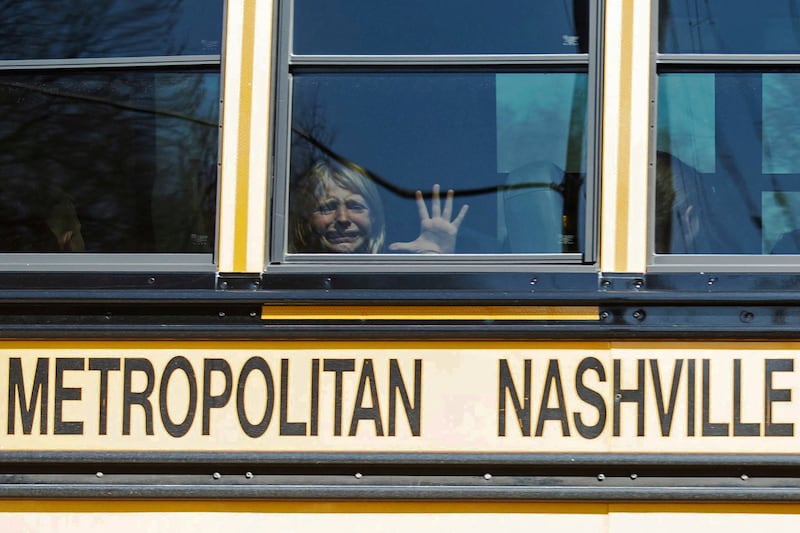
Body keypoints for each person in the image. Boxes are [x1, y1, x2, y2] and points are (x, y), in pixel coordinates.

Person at [288, 159, 468, 254]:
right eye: (327, 207)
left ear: (374, 218)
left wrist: (433, 258)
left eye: (355, 206)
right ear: (307, 219)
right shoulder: (288, 277)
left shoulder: (394, 275)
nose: (342, 218)